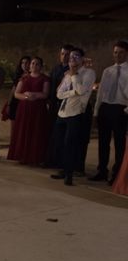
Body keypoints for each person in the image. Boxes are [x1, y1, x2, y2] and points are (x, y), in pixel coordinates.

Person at [49, 48, 95, 185]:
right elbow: (59, 94)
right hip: (62, 112)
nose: (72, 58)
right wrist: (72, 92)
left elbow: (81, 90)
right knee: (61, 143)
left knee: (71, 144)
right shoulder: (67, 74)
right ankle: (63, 169)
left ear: (82, 59)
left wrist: (74, 74)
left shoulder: (88, 73)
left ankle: (69, 174)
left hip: (76, 113)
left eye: (76, 56)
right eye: (71, 56)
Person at [90, 40, 128, 184]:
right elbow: (100, 93)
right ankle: (102, 171)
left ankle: (116, 174)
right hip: (106, 107)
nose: (117, 55)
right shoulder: (108, 71)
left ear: (126, 54)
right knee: (103, 142)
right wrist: (96, 112)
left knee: (119, 144)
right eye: (115, 52)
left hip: (120, 108)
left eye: (121, 52)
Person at [7, 57, 50, 166]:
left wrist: (34, 95)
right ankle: (22, 156)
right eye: (33, 63)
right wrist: (26, 97)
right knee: (24, 130)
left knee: (36, 131)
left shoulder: (44, 79)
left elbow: (45, 94)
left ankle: (35, 157)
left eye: (37, 64)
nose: (34, 66)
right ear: (30, 66)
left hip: (38, 109)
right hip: (24, 109)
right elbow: (16, 94)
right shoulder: (24, 78)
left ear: (41, 66)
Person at [45, 44, 75, 167]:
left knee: (62, 135)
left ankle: (61, 162)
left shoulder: (72, 70)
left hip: (65, 106)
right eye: (62, 54)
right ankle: (51, 159)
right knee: (52, 134)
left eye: (67, 54)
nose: (64, 57)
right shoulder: (56, 69)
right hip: (53, 105)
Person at [5, 55, 31, 122]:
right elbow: (13, 90)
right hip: (16, 101)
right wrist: (8, 104)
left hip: (26, 101)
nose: (24, 65)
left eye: (26, 63)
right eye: (22, 63)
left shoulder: (32, 76)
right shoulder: (18, 75)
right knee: (14, 123)